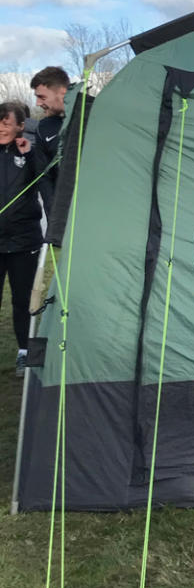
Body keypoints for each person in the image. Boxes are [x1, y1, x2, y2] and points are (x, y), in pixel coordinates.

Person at [0, 101, 43, 376]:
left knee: (21, 300)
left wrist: (30, 155)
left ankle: (25, 353)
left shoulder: (29, 153)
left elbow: (46, 180)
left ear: (20, 125)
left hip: (24, 241)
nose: (1, 128)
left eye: (6, 123)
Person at [30, 65, 70, 208]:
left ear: (62, 92)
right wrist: (54, 212)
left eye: (42, 97)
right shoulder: (43, 127)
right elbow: (43, 176)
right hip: (61, 216)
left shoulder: (90, 114)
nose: (38, 103)